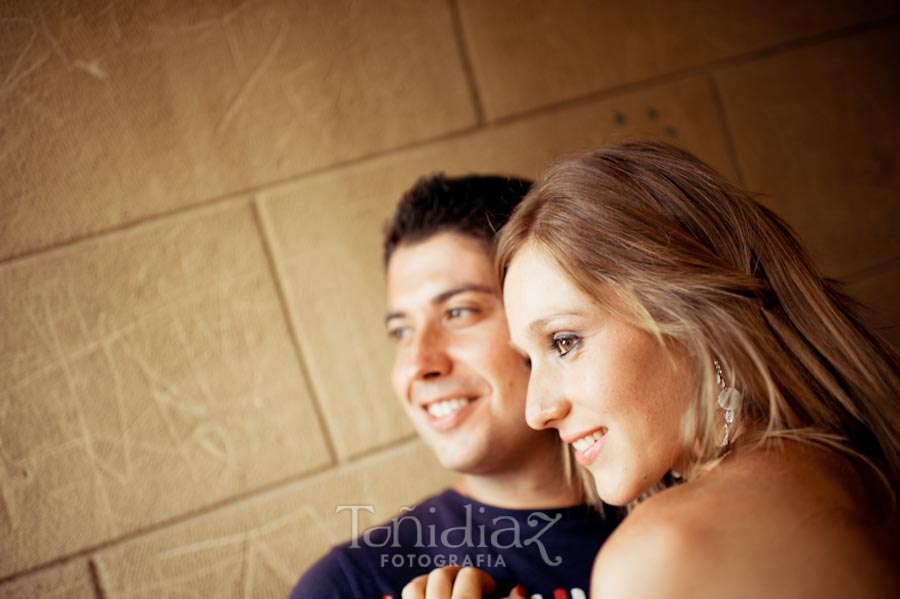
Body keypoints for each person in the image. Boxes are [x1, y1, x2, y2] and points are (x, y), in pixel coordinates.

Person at [406, 140, 900, 598]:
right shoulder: (859, 465)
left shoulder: (662, 551)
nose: (538, 410)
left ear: (691, 319)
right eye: (528, 360)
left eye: (564, 341)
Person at [290, 174, 619, 599]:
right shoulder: (350, 585)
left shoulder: (692, 499)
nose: (418, 365)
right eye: (401, 331)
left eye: (459, 312)